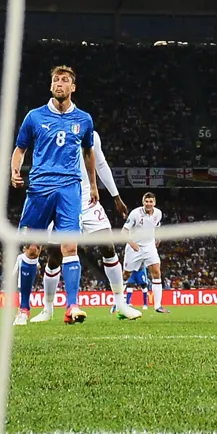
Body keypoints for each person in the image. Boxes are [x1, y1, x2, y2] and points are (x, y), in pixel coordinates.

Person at [11, 66, 97, 326]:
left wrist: (92, 185)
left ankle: (72, 306)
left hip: (70, 187)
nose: (60, 84)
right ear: (50, 86)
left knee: (70, 246)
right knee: (32, 248)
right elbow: (20, 149)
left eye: (65, 80)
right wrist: (14, 170)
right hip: (39, 186)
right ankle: (23, 309)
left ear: (73, 87)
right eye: (56, 80)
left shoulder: (84, 119)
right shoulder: (34, 117)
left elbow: (89, 153)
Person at [31, 132, 142, 322]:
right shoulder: (51, 133)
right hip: (61, 198)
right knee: (55, 255)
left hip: (87, 198)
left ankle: (121, 304)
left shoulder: (91, 134)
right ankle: (47, 309)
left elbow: (100, 164)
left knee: (108, 245)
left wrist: (116, 196)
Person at [123, 192, 168, 314]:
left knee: (157, 272)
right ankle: (117, 303)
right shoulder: (135, 214)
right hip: (134, 247)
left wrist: (157, 238)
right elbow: (124, 231)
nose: (148, 204)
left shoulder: (158, 213)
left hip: (149, 247)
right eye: (146, 201)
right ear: (143, 202)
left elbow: (157, 226)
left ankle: (158, 306)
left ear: (154, 203)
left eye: (151, 201)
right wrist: (132, 244)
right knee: (125, 275)